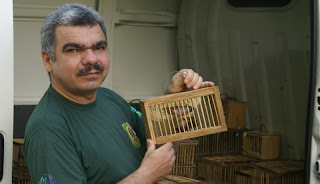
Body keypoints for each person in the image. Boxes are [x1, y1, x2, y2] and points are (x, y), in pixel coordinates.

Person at [23, 3, 214, 184]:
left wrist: (174, 102)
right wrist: (145, 176)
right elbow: (151, 170)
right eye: (73, 49)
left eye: (99, 47)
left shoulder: (110, 98)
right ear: (48, 60)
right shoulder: (49, 129)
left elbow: (159, 150)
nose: (91, 59)